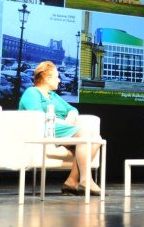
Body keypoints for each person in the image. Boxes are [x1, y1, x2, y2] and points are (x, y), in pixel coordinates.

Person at [19, 60, 101, 196]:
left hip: (59, 129)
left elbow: (72, 108)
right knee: (86, 133)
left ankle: (72, 181)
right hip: (43, 130)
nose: (59, 80)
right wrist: (63, 122)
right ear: (47, 78)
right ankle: (86, 179)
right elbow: (38, 116)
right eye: (57, 77)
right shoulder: (32, 92)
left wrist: (71, 114)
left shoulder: (53, 95)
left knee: (96, 138)